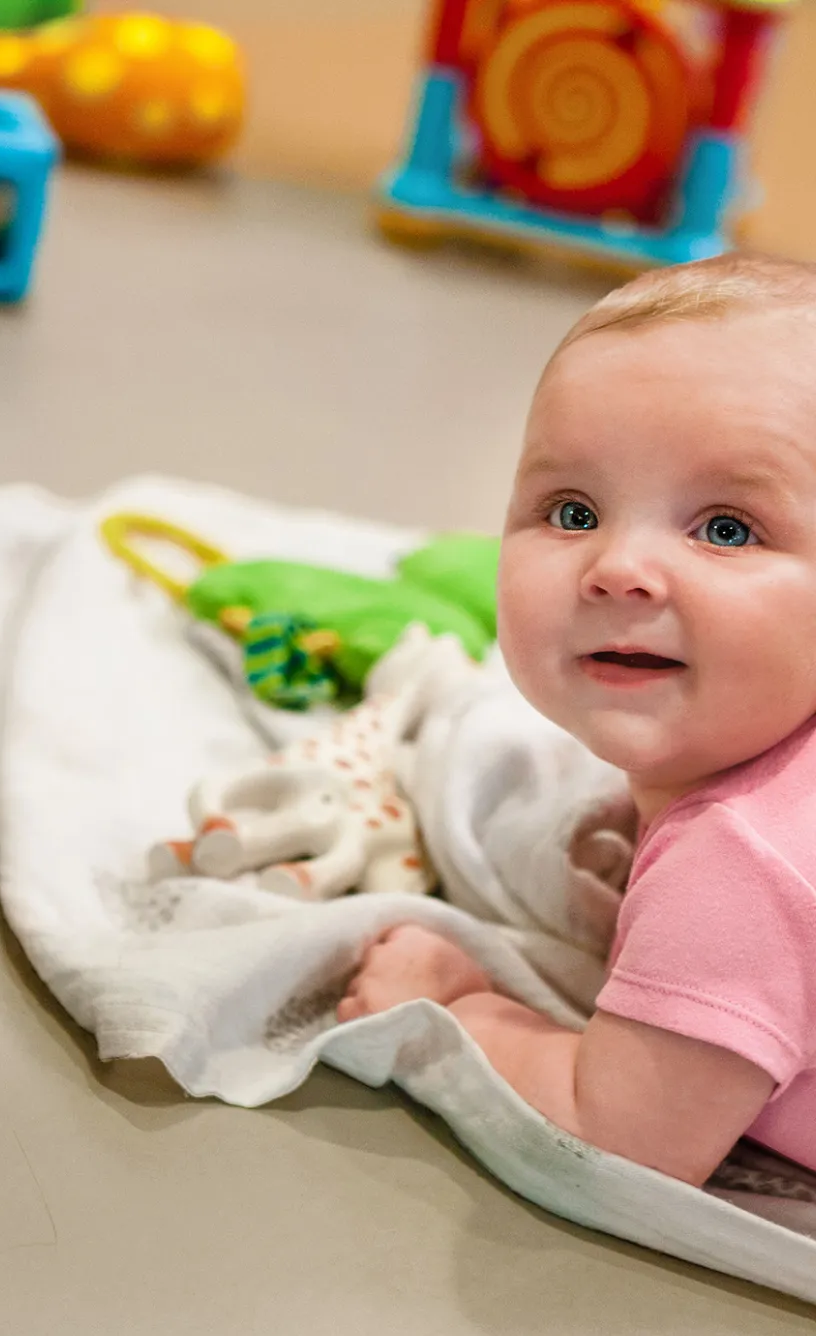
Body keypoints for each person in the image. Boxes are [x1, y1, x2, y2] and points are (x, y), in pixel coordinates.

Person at [337, 252, 816, 1187]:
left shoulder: (743, 861)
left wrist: (460, 1012)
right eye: (571, 509)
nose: (617, 567)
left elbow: (625, 1135)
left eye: (725, 527)